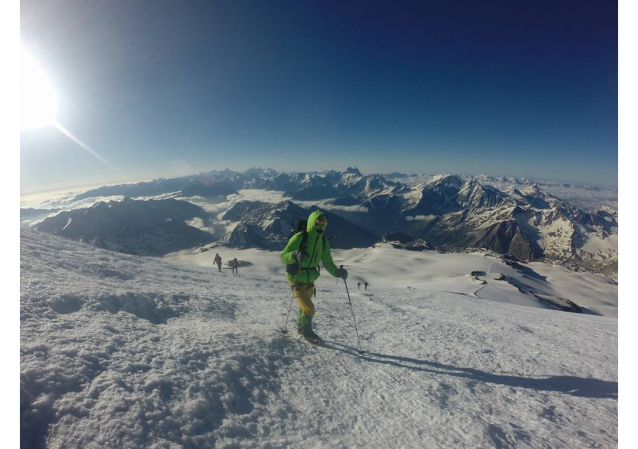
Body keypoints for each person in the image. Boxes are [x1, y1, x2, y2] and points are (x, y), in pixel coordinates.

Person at [281, 211, 347, 341]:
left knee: (304, 307)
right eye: (318, 221)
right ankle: (307, 332)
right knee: (309, 308)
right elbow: (283, 256)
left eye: (324, 222)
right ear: (312, 222)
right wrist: (295, 255)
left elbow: (327, 261)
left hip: (310, 279)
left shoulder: (322, 241)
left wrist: (337, 273)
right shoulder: (300, 237)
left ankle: (301, 328)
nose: (321, 224)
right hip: (296, 278)